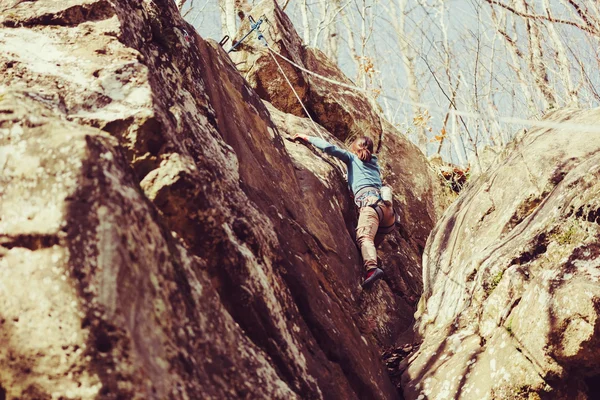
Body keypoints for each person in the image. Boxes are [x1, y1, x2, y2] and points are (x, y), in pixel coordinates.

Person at [294, 134, 395, 289]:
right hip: (388, 214)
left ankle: (372, 270)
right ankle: (370, 264)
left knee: (364, 238)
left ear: (354, 148)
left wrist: (306, 137)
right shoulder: (374, 165)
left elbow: (329, 148)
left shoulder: (352, 158)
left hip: (371, 206)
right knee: (369, 244)